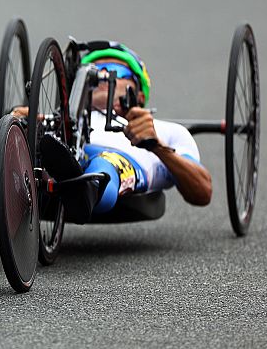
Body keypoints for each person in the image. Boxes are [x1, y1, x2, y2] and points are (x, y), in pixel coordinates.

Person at [17, 41, 212, 222]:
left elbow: (203, 192)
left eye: (114, 71)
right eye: (92, 71)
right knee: (18, 128)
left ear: (140, 93)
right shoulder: (57, 121)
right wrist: (24, 124)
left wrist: (157, 147)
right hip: (63, 152)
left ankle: (86, 190)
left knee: (106, 162)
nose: (101, 75)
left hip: (116, 163)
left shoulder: (168, 132)